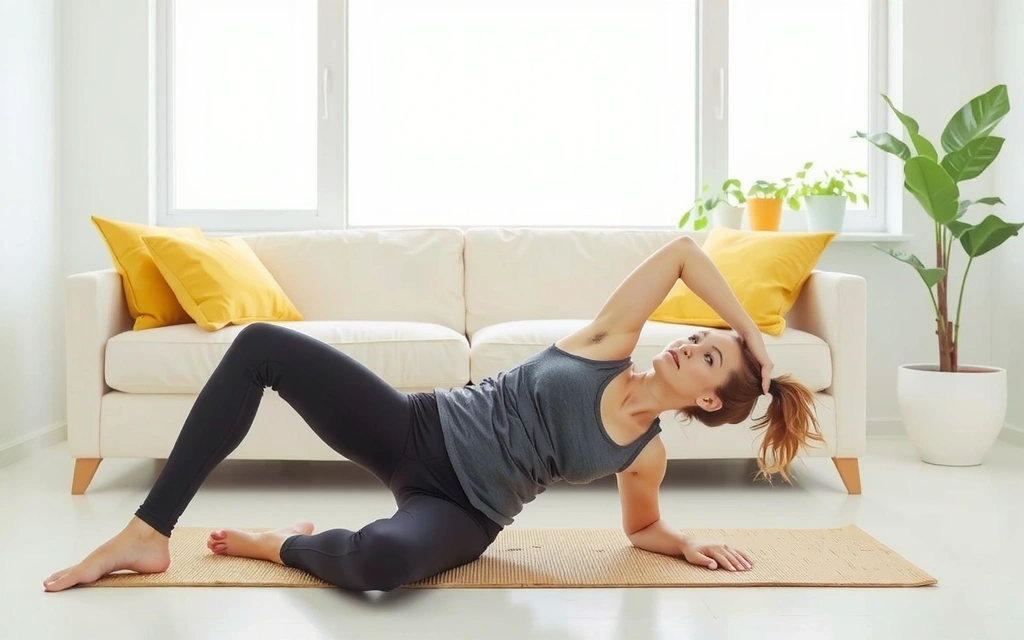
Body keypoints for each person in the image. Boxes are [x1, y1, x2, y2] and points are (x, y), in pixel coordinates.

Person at [43, 236, 822, 593]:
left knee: (379, 568)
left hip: (466, 510)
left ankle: (281, 543)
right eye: (698, 337)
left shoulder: (643, 455)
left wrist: (685, 543)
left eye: (709, 358)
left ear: (709, 401)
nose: (689, 346)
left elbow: (641, 528)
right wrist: (749, 332)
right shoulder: (606, 342)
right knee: (260, 345)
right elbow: (685, 252)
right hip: (416, 429)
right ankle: (148, 534)